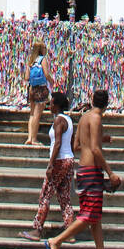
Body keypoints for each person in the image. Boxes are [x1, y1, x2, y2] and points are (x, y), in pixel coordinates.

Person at [45, 89, 123, 249]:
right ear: (106, 104)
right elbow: (95, 149)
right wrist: (110, 173)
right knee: (88, 215)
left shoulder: (84, 118)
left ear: (93, 101)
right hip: (91, 171)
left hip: (83, 169)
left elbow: (77, 145)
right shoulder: (96, 119)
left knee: (95, 216)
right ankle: (56, 241)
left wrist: (99, 139)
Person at [20, 91, 76, 240]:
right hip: (69, 159)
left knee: (45, 194)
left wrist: (51, 164)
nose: (49, 105)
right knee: (64, 197)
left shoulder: (59, 120)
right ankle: (70, 232)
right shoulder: (69, 120)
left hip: (59, 160)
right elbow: (71, 143)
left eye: (51, 103)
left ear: (56, 105)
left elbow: (57, 143)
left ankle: (37, 229)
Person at [23, 40, 51, 147]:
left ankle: (29, 137)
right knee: (37, 114)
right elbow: (46, 74)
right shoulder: (42, 60)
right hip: (41, 88)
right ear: (41, 49)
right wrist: (51, 81)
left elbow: (26, 77)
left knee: (31, 114)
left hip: (32, 88)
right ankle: (34, 139)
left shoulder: (31, 61)